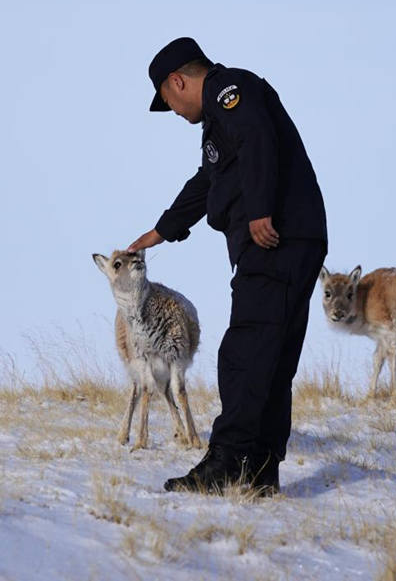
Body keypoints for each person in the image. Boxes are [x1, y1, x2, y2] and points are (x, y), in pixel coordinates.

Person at [127, 36, 328, 495]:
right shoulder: (221, 123)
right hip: (294, 240)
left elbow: (259, 138)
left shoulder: (230, 91)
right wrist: (161, 230)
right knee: (271, 359)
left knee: (244, 354)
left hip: (273, 240)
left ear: (177, 81)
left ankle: (225, 463)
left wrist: (259, 210)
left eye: (169, 102)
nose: (175, 112)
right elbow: (207, 181)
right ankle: (258, 472)